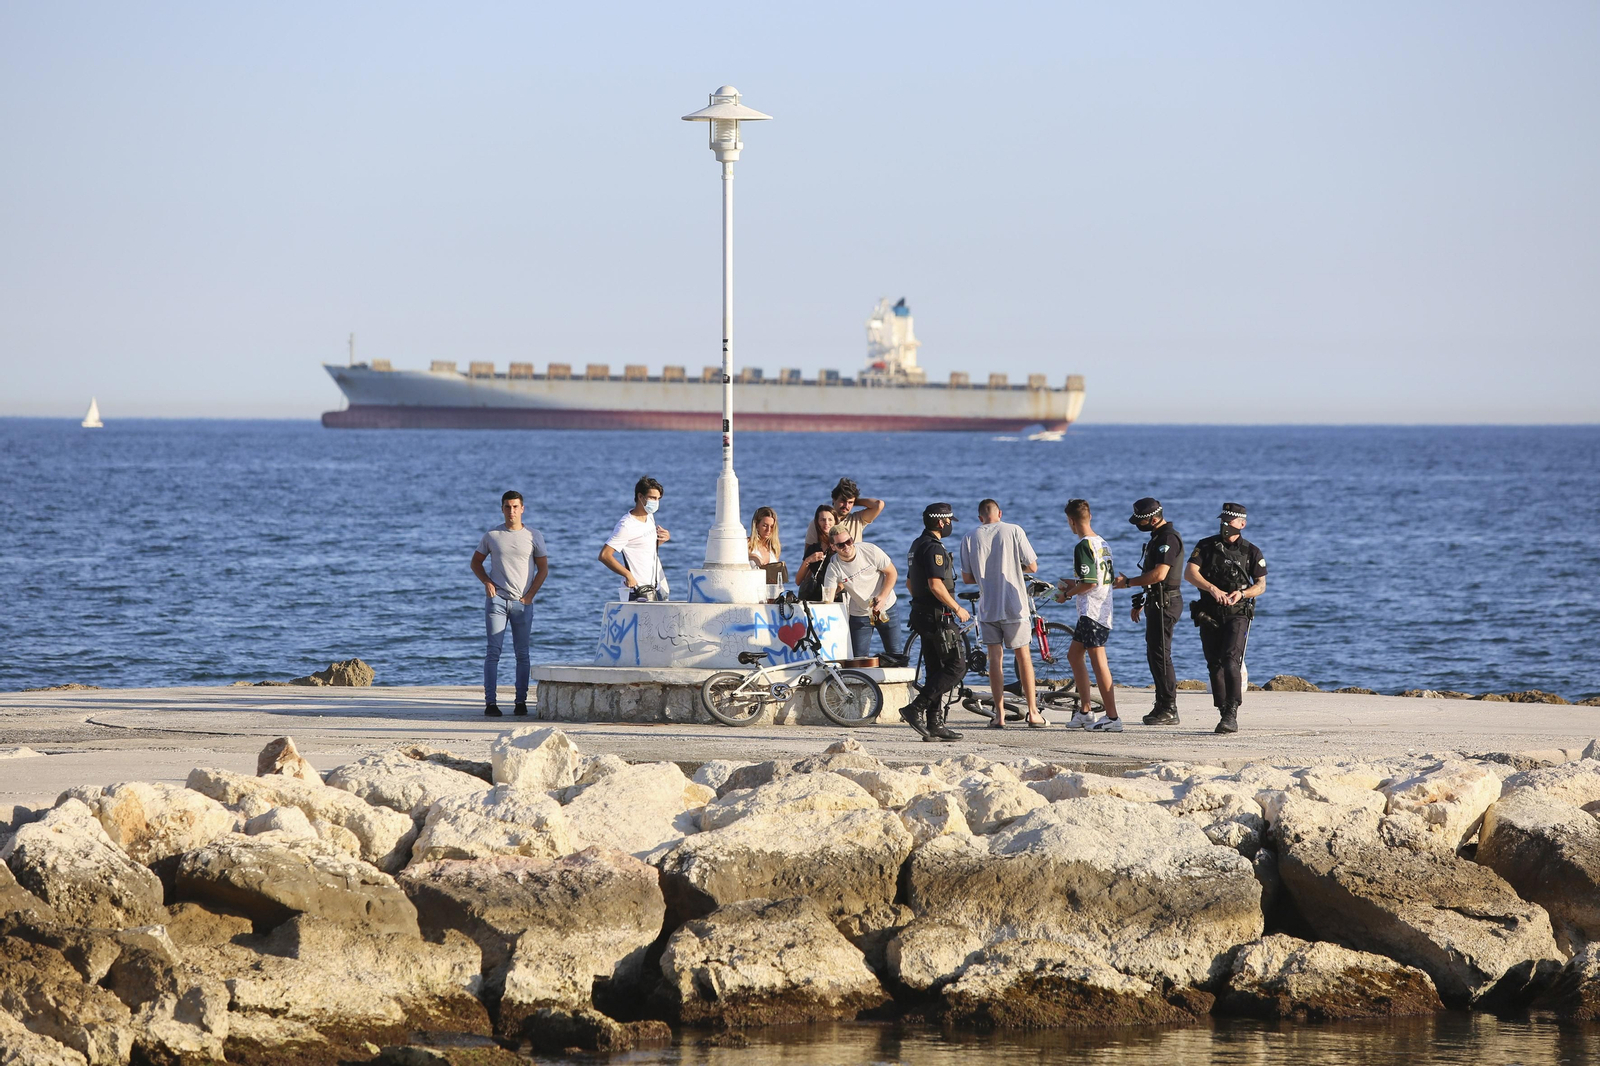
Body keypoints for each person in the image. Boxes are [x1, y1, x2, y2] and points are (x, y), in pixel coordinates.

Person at [959, 499, 1046, 729]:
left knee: (994, 660)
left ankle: (999, 715)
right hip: (1014, 605)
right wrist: (1014, 567)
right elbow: (1033, 566)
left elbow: (967, 578)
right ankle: (1033, 713)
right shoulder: (1014, 530)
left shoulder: (969, 537)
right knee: (1023, 657)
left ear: (980, 518)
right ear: (1000, 513)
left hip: (988, 607)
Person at [1185, 502, 1267, 734]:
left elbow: (1261, 586)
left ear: (1242, 524)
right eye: (1222, 521)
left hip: (1237, 614)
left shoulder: (1251, 551)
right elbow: (1190, 573)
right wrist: (1212, 589)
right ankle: (1222, 710)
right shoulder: (1206, 546)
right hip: (1209, 612)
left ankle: (1232, 710)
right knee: (1214, 665)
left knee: (1231, 660)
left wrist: (1242, 593)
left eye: (1229, 522)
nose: (1225, 526)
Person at [470, 490, 549, 717]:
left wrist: (530, 596)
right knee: (493, 652)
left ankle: (520, 702)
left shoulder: (534, 536)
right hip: (497, 601)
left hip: (523, 603)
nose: (511, 511)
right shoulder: (492, 535)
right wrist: (486, 581)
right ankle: (490, 703)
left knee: (522, 654)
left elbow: (543, 569)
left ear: (522, 509)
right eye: (507, 507)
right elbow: (475, 562)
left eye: (515, 507)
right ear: (502, 509)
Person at [1113, 498, 1185, 726]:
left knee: (1161, 656)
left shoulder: (1168, 538)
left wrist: (1128, 583)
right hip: (1157, 601)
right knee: (1155, 655)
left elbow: (1160, 575)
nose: (1138, 526)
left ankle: (1169, 707)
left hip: (1166, 603)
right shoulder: (1157, 538)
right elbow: (1154, 580)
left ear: (1154, 519)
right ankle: (1162, 704)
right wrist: (1140, 601)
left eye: (1141, 521)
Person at [901, 503, 969, 742]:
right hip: (938, 617)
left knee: (935, 669)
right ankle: (916, 708)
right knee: (956, 666)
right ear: (941, 523)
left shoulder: (916, 544)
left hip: (922, 614)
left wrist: (922, 605)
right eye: (949, 521)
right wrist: (957, 608)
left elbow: (910, 584)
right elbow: (935, 584)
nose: (950, 525)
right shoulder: (934, 549)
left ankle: (934, 723)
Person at [1055, 498, 1121, 731]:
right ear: (1089, 516)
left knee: (1098, 662)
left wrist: (1068, 594)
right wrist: (1072, 583)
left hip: (1093, 611)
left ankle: (1112, 717)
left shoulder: (1082, 546)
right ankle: (1085, 710)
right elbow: (1103, 579)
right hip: (1101, 609)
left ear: (1071, 522)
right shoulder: (1103, 543)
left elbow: (1090, 584)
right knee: (1074, 656)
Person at [820, 527, 903, 663]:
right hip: (859, 613)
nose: (846, 547)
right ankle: (863, 683)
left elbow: (892, 572)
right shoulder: (834, 566)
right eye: (841, 545)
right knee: (858, 660)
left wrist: (882, 596)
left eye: (849, 541)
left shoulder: (870, 550)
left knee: (896, 655)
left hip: (886, 606)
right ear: (833, 547)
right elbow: (828, 598)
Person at [598, 477, 671, 601]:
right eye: (653, 498)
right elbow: (604, 555)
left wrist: (662, 539)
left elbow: (641, 547)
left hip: (656, 587)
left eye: (658, 499)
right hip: (637, 591)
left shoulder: (649, 517)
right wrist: (627, 575)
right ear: (641, 497)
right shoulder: (626, 525)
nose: (656, 502)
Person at [828, 478, 886, 548]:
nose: (846, 506)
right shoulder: (823, 521)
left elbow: (878, 504)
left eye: (850, 502)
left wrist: (855, 501)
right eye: (843, 501)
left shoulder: (857, 520)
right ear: (834, 499)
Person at [795, 504, 837, 597]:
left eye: (830, 519)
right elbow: (798, 581)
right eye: (822, 519)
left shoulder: (841, 546)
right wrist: (808, 560)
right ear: (817, 523)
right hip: (815, 598)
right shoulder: (813, 549)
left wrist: (831, 594)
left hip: (835, 598)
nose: (826, 523)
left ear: (835, 522)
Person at [747, 506, 788, 587]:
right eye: (765, 525)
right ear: (757, 525)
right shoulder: (747, 544)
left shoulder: (774, 547)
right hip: (752, 593)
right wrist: (752, 556)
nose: (769, 530)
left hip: (771, 595)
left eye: (772, 526)